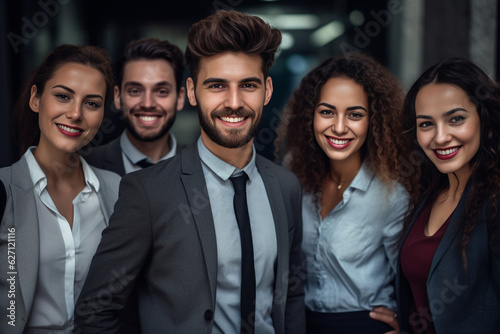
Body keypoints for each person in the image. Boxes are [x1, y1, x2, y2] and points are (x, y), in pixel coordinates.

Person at [75, 9, 305, 334]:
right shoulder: (148, 192)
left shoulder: (286, 186)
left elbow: (290, 295)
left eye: (248, 85)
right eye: (217, 86)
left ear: (267, 90)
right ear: (193, 92)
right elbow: (95, 311)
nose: (234, 102)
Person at [275, 53, 416, 333]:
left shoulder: (391, 195)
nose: (339, 127)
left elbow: (410, 277)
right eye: (327, 112)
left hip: (362, 324)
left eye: (355, 115)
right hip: (302, 323)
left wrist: (410, 325)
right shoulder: (294, 173)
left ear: (373, 121)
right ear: (310, 115)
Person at [0, 44, 120, 334]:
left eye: (91, 103)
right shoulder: (4, 189)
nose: (75, 113)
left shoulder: (116, 191)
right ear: (36, 99)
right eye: (63, 96)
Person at [396, 57, 500, 333]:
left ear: (483, 117)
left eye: (456, 119)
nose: (440, 137)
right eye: (426, 124)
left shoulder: (494, 202)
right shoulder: (428, 191)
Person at [82, 37, 186, 176]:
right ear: (117, 97)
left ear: (180, 98)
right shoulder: (85, 166)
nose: (147, 104)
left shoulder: (202, 167)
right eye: (135, 91)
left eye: (161, 91)